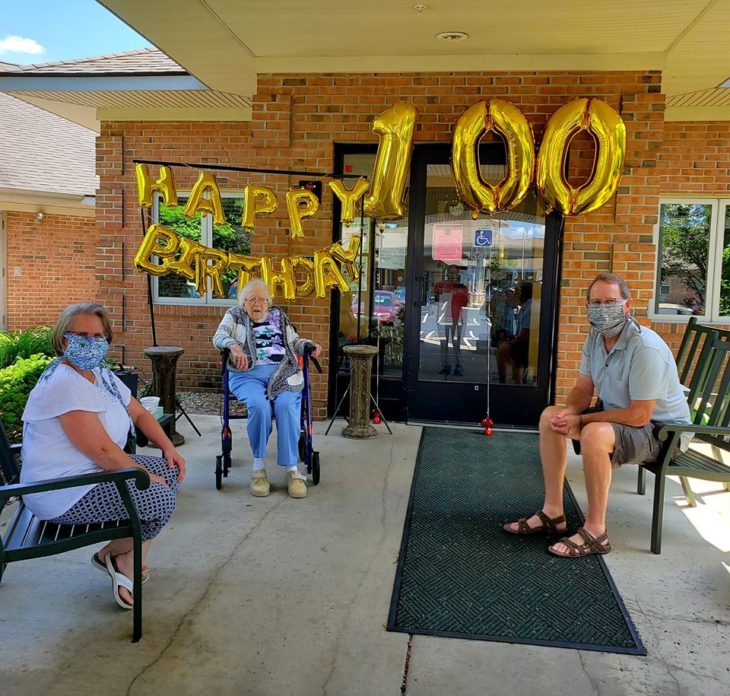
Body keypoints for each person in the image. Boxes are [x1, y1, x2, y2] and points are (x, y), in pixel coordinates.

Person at [503, 273, 690, 557]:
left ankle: (596, 531)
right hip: (620, 417)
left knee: (594, 432)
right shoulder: (595, 337)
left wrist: (584, 420)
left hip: (664, 432)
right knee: (549, 418)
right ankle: (553, 514)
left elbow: (640, 415)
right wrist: (567, 414)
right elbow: (583, 388)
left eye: (611, 302)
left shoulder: (645, 347)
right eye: (596, 302)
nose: (603, 309)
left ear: (627, 306)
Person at [20, 303, 186, 609]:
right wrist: (144, 476)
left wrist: (167, 447)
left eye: (97, 335)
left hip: (88, 473)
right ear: (63, 338)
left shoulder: (97, 373)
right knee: (160, 497)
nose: (90, 341)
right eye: (81, 334)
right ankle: (115, 555)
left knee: (169, 471)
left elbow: (138, 412)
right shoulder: (64, 383)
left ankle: (129, 559)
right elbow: (102, 452)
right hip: (62, 491)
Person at [212, 278, 323, 499]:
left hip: (282, 373)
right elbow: (218, 336)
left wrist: (308, 345)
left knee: (286, 405)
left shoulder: (278, 316)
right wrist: (232, 345)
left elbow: (295, 342)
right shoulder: (234, 315)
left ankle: (292, 470)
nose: (257, 303)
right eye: (251, 299)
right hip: (247, 375)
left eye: (262, 299)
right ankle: (258, 468)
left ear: (268, 302)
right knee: (259, 406)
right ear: (243, 302)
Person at [434, 266, 469, 376]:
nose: (453, 275)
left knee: (456, 343)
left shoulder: (463, 287)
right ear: (447, 274)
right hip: (443, 317)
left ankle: (457, 366)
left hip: (456, 318)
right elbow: (436, 299)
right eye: (450, 273)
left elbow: (465, 303)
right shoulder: (440, 285)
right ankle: (445, 365)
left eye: (455, 273)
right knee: (444, 343)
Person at [496, 282, 533, 384]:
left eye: (517, 293)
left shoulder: (529, 308)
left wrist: (511, 343)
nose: (515, 295)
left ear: (523, 294)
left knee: (503, 350)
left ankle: (507, 382)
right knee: (504, 346)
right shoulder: (525, 307)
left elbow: (524, 334)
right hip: (526, 343)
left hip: (527, 346)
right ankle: (514, 380)